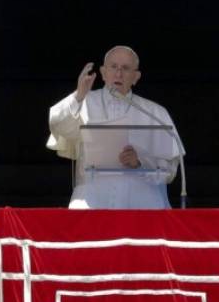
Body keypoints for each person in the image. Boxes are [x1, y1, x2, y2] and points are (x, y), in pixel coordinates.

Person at [47, 45, 185, 209]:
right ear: (103, 72)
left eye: (126, 68)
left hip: (142, 206)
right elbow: (58, 126)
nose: (118, 73)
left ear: (136, 77)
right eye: (113, 67)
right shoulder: (83, 102)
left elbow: (170, 170)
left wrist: (140, 162)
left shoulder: (155, 113)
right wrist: (79, 95)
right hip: (92, 203)